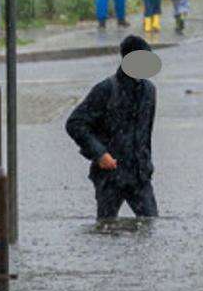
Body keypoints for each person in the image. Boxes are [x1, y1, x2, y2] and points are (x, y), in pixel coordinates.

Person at [65, 34, 160, 221]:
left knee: (150, 224)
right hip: (110, 175)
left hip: (139, 176)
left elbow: (145, 133)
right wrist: (100, 154)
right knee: (105, 228)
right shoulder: (106, 89)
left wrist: (146, 165)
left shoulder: (149, 91)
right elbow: (75, 123)